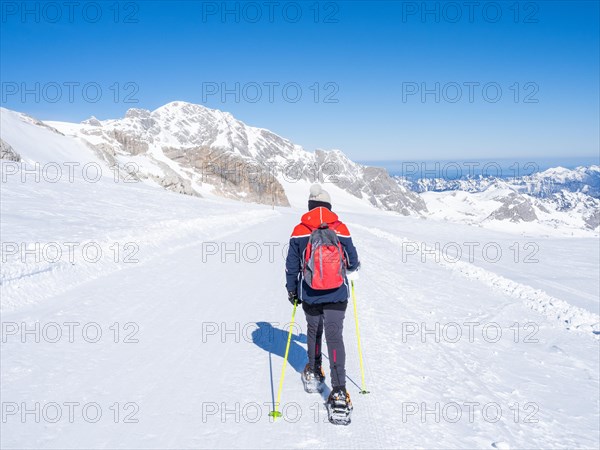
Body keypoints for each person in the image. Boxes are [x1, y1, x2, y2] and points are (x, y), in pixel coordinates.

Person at [285, 184, 360, 411]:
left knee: (313, 331)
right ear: (328, 206)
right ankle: (338, 391)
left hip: (310, 293)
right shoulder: (340, 227)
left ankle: (314, 371)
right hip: (337, 293)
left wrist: (292, 290)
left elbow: (291, 266)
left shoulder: (299, 230)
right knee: (334, 337)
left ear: (309, 206)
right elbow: (353, 261)